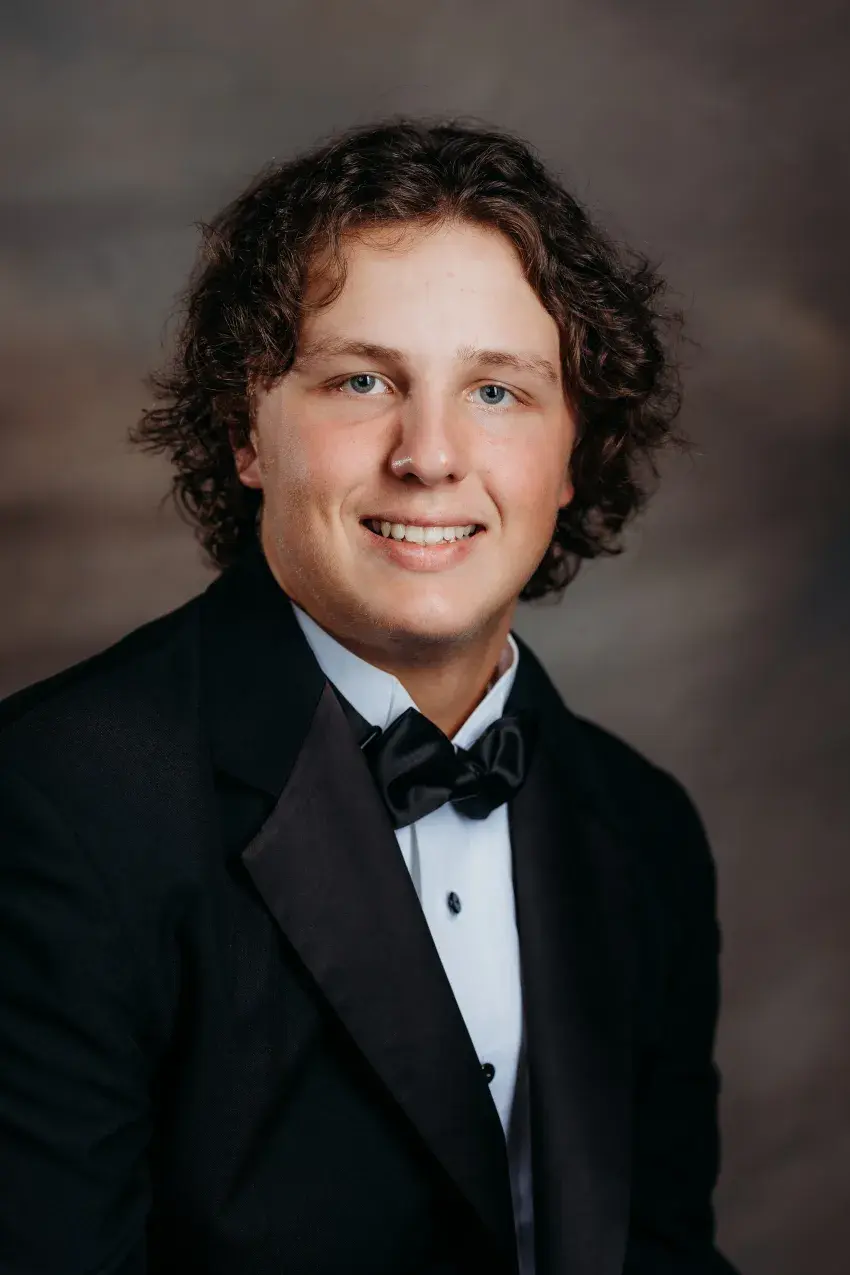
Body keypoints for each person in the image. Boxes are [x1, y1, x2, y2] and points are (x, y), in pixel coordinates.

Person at [0, 117, 740, 1275]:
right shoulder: (53, 802)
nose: (429, 454)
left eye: (497, 391)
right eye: (361, 380)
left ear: (572, 452)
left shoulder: (645, 829)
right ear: (247, 430)